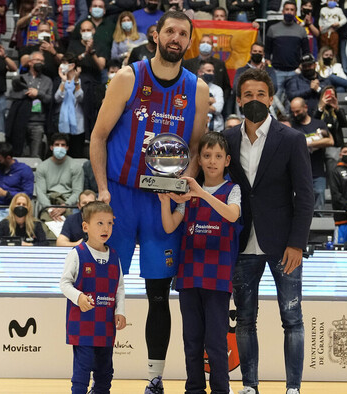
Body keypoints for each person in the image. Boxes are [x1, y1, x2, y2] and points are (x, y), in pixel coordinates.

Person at [89, 11, 209, 392]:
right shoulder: (128, 77)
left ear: (189, 40)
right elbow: (98, 136)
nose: (176, 38)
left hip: (162, 203)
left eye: (183, 34)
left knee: (158, 295)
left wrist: (179, 190)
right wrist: (102, 189)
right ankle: (100, 379)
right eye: (170, 31)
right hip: (121, 198)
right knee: (106, 293)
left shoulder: (198, 89)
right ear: (156, 35)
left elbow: (194, 149)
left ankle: (154, 379)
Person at [223, 68, 314, 394]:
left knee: (292, 319)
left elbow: (305, 197)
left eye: (261, 94)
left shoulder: (291, 139)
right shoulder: (227, 139)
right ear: (239, 99)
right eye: (248, 95)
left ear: (271, 98)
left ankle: (293, 388)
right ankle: (250, 386)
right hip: (241, 242)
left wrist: (297, 244)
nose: (255, 100)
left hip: (283, 245)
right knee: (245, 321)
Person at [158, 132, 241, 394]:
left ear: (227, 160)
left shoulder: (232, 190)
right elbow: (170, 224)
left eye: (218, 156)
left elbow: (231, 215)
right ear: (199, 160)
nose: (212, 161)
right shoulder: (187, 192)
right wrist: (164, 202)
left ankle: (220, 390)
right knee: (191, 341)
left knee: (215, 342)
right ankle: (193, 389)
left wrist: (202, 194)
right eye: (207, 156)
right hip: (190, 276)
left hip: (218, 277)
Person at [59, 201, 126, 394]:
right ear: (85, 226)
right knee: (82, 371)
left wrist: (120, 311)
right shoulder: (77, 254)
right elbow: (64, 283)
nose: (106, 228)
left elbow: (119, 288)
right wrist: (78, 297)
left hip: (105, 324)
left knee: (105, 372)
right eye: (100, 223)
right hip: (82, 325)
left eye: (109, 223)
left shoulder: (114, 255)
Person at [290, 97, 335, 211]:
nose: (295, 115)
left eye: (298, 111)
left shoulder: (318, 123)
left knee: (319, 195)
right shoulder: (292, 125)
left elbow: (330, 141)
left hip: (317, 168)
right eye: (293, 112)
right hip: (298, 170)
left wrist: (307, 143)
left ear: (305, 108)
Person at [6, 51, 53, 158]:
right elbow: (13, 95)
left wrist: (38, 94)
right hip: (20, 120)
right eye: (37, 60)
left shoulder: (47, 80)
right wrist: (27, 93)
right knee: (18, 153)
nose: (40, 63)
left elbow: (49, 99)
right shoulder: (20, 78)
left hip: (38, 122)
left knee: (35, 154)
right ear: (30, 62)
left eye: (42, 61)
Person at [265, 1, 310, 101]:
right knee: (275, 104)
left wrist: (301, 67)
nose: (289, 12)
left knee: (293, 104)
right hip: (277, 72)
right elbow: (267, 51)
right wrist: (269, 65)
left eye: (292, 10)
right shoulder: (272, 29)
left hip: (295, 73)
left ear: (295, 12)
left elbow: (306, 52)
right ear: (282, 11)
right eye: (287, 9)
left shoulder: (301, 30)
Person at [0, 142, 35, 234]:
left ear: (8, 158)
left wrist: (6, 194)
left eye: (0, 160)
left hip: (18, 208)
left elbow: (28, 195)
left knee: (15, 234)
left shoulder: (24, 170)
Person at [37, 133, 84, 222]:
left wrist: (65, 206)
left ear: (67, 148)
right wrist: (50, 209)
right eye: (57, 145)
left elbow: (77, 191)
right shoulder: (42, 167)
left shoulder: (75, 166)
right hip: (49, 204)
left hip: (69, 204)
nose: (60, 147)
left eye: (63, 145)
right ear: (51, 147)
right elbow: (40, 193)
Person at [55, 54, 85, 158]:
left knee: (76, 154)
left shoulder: (82, 81)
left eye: (64, 63)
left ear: (72, 65)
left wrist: (76, 81)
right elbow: (57, 98)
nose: (62, 65)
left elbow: (80, 98)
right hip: (63, 122)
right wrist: (63, 81)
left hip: (78, 122)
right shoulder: (59, 80)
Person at [183, 34, 232, 99]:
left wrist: (220, 102)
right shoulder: (187, 63)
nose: (205, 44)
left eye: (208, 43)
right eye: (203, 42)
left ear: (212, 47)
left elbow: (226, 87)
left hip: (214, 103)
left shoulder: (220, 64)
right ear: (198, 46)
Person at [200, 61, 224, 132]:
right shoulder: (193, 86)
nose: (212, 73)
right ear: (200, 72)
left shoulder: (217, 89)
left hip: (216, 128)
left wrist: (198, 102)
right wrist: (209, 100)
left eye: (213, 71)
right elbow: (191, 107)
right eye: (208, 71)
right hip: (197, 127)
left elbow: (217, 109)